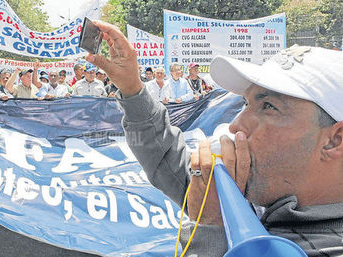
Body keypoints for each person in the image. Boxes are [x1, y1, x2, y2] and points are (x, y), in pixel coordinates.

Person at [85, 21, 343, 257]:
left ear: (335, 140)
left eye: (268, 107)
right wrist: (132, 88)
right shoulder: (263, 190)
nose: (236, 125)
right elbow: (168, 162)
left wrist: (211, 227)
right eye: (245, 103)